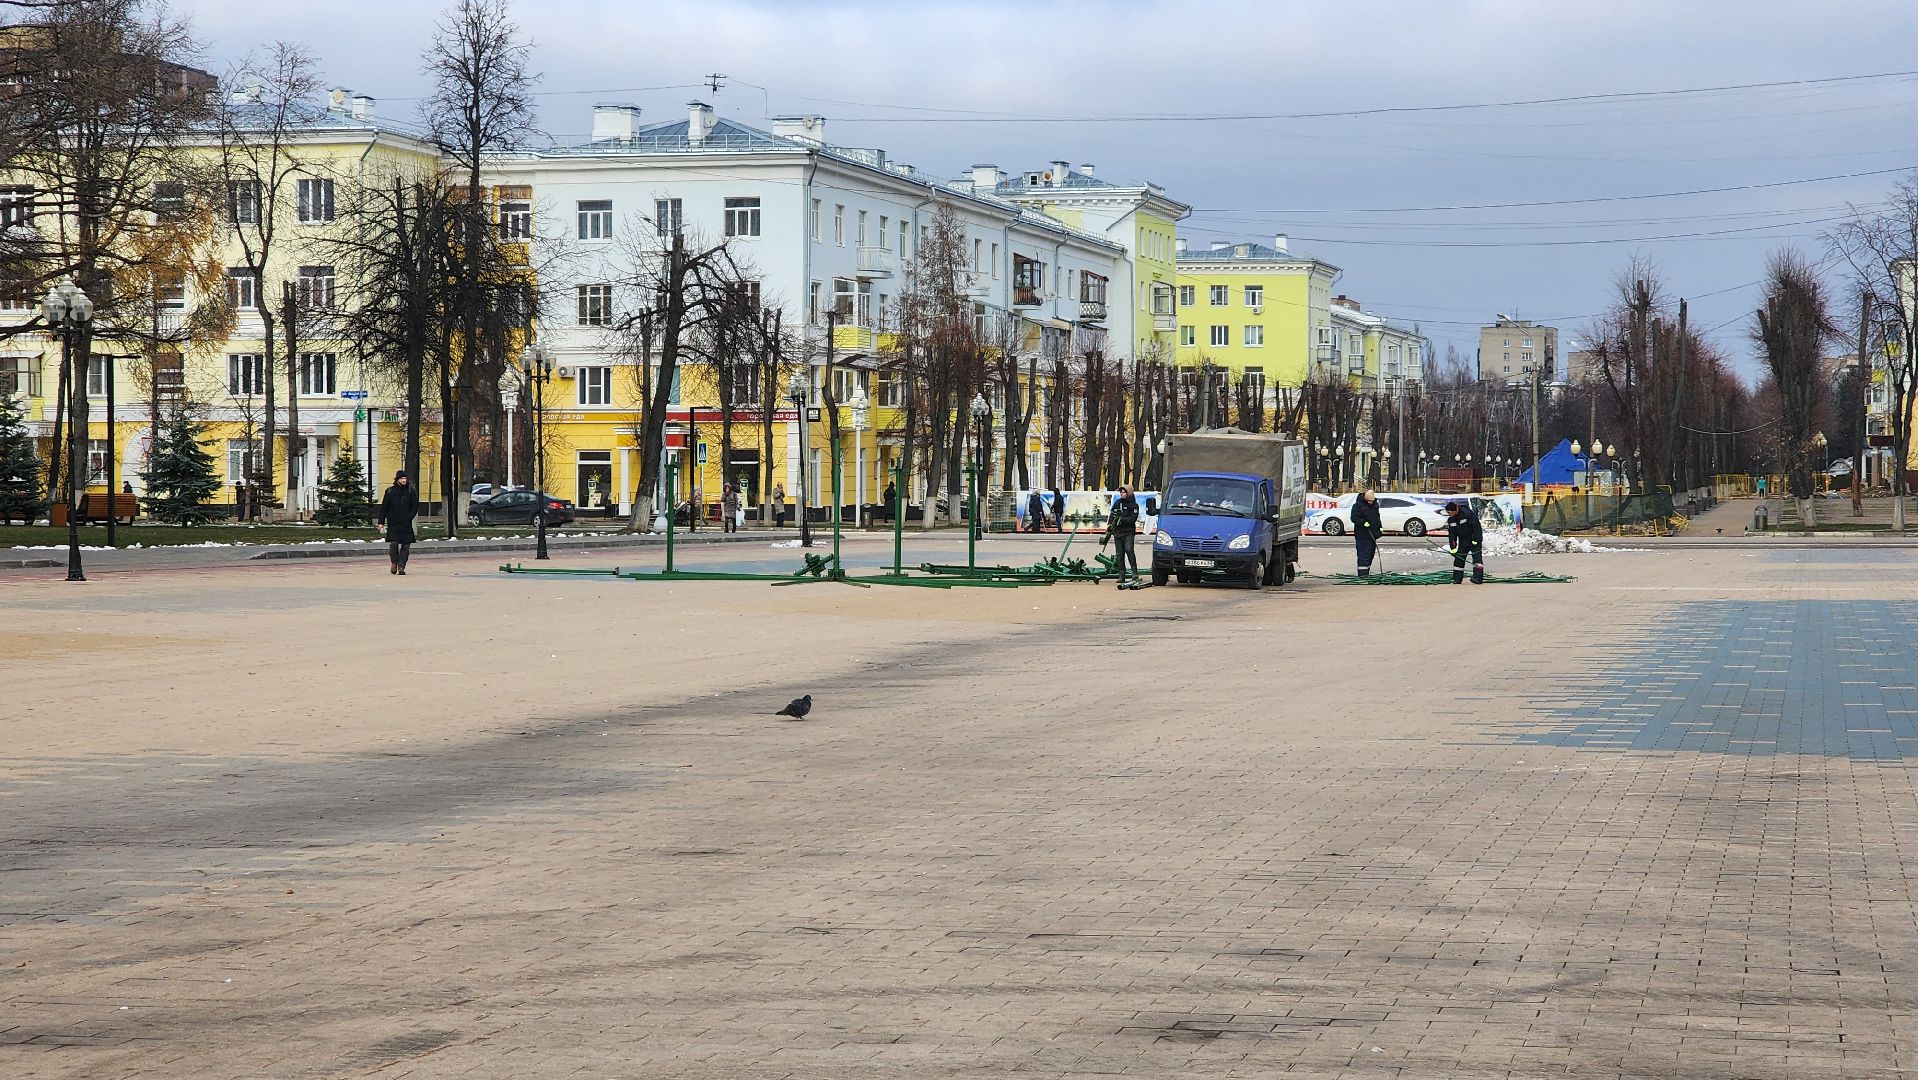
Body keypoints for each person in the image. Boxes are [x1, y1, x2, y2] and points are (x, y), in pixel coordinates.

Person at [377, 470, 419, 576]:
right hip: (393, 522)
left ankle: (402, 566)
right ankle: (394, 562)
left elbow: (415, 506)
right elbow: (384, 507)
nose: (404, 480)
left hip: (406, 523)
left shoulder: (410, 491)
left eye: (405, 479)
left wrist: (409, 517)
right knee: (394, 543)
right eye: (402, 479)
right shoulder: (390, 491)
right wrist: (381, 522)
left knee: (406, 545)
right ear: (397, 480)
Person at [1106, 485, 1141, 584]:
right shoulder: (1117, 503)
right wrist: (1110, 525)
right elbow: (1112, 515)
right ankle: (1121, 575)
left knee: (1129, 549)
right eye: (1120, 492)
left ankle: (1134, 573)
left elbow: (1132, 519)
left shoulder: (1134, 506)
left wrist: (1121, 520)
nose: (1121, 493)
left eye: (1123, 492)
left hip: (1128, 532)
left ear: (1129, 493)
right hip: (1118, 533)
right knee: (1119, 554)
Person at [1445, 500, 1484, 585]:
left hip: (1474, 539)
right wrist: (1453, 548)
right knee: (1459, 559)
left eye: (1449, 512)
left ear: (1454, 510)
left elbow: (1476, 527)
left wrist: (1475, 540)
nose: (1448, 514)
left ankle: (1478, 578)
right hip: (1463, 540)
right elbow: (1452, 535)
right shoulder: (1451, 520)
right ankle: (1457, 579)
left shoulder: (1467, 513)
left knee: (1477, 559)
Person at [1351, 489, 1384, 577]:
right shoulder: (1358, 506)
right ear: (1365, 499)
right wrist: (1363, 522)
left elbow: (1377, 518)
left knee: (1370, 554)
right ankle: (1362, 575)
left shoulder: (1375, 506)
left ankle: (1366, 572)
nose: (1370, 502)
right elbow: (1354, 518)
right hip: (1362, 535)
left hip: (1372, 534)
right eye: (1369, 501)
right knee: (1363, 554)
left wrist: (1380, 528)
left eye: (1371, 501)